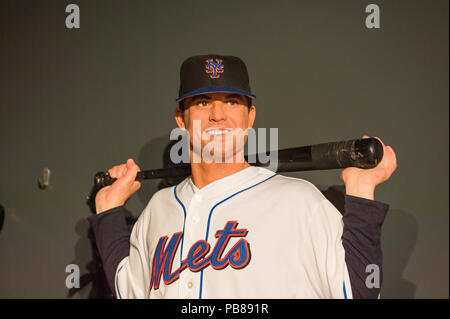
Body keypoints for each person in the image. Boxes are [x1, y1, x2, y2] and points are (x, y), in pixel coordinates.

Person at [88, 54, 397, 299]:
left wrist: (361, 192)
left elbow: (358, 293)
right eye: (203, 102)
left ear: (249, 117)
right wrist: (108, 212)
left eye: (232, 102)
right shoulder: (158, 208)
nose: (218, 115)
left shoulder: (299, 201)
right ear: (181, 119)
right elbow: (129, 290)